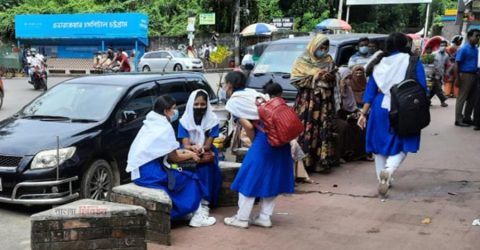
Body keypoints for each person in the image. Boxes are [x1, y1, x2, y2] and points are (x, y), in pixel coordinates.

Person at [126, 95, 216, 227]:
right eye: (173, 109)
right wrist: (191, 155)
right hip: (150, 173)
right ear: (165, 111)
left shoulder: (151, 122)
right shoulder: (164, 128)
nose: (175, 111)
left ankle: (185, 212)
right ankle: (198, 217)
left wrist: (187, 152)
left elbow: (168, 152)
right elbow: (174, 157)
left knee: (181, 174)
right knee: (190, 177)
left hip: (142, 170)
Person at [357, 32, 427, 196]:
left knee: (380, 145)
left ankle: (382, 177)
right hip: (405, 106)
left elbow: (370, 91)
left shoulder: (378, 62)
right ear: (406, 45)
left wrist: (363, 114)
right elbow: (422, 87)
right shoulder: (413, 61)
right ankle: (389, 170)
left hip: (379, 107)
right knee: (405, 141)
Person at [223, 71, 294, 229]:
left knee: (248, 177)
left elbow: (248, 126)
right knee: (272, 177)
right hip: (281, 139)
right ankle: (264, 217)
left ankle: (241, 218)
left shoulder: (234, 102)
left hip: (264, 139)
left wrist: (255, 143)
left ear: (229, 85)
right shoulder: (254, 93)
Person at [291, 33, 338, 173]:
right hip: (308, 101)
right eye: (320, 47)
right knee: (306, 128)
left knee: (322, 128)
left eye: (325, 47)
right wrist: (316, 77)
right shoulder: (302, 60)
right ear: (314, 46)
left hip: (324, 102)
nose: (323, 50)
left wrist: (329, 77)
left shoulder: (329, 60)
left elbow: (335, 79)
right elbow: (296, 79)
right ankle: (303, 162)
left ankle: (320, 161)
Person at [178, 90, 222, 215]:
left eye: (203, 104)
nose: (199, 107)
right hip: (188, 150)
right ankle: (189, 201)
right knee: (185, 169)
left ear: (207, 104)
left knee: (206, 167)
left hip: (206, 151)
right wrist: (193, 149)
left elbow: (208, 145)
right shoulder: (184, 121)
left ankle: (204, 202)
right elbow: (186, 144)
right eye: (196, 104)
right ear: (191, 104)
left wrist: (201, 148)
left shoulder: (212, 120)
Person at [333, 67, 368, 162]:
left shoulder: (349, 90)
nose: (348, 81)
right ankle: (343, 155)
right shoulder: (335, 90)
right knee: (344, 126)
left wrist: (358, 113)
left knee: (362, 122)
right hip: (335, 116)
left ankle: (360, 154)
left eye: (349, 78)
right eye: (346, 78)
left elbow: (353, 106)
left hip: (347, 115)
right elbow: (335, 109)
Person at [454, 29, 480, 127]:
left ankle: (467, 118)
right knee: (462, 98)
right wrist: (457, 78)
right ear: (469, 37)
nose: (478, 38)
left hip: (474, 75)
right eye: (476, 36)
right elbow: (456, 64)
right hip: (465, 75)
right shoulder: (463, 49)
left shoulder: (476, 49)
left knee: (472, 99)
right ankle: (458, 119)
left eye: (479, 36)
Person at [430, 40, 449, 107]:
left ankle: (427, 100)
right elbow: (429, 63)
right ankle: (443, 101)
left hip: (441, 74)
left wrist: (446, 73)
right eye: (441, 45)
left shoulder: (446, 55)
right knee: (438, 88)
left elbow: (446, 65)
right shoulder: (434, 54)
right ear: (439, 46)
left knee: (433, 89)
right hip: (433, 74)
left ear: (446, 46)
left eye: (444, 45)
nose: (443, 47)